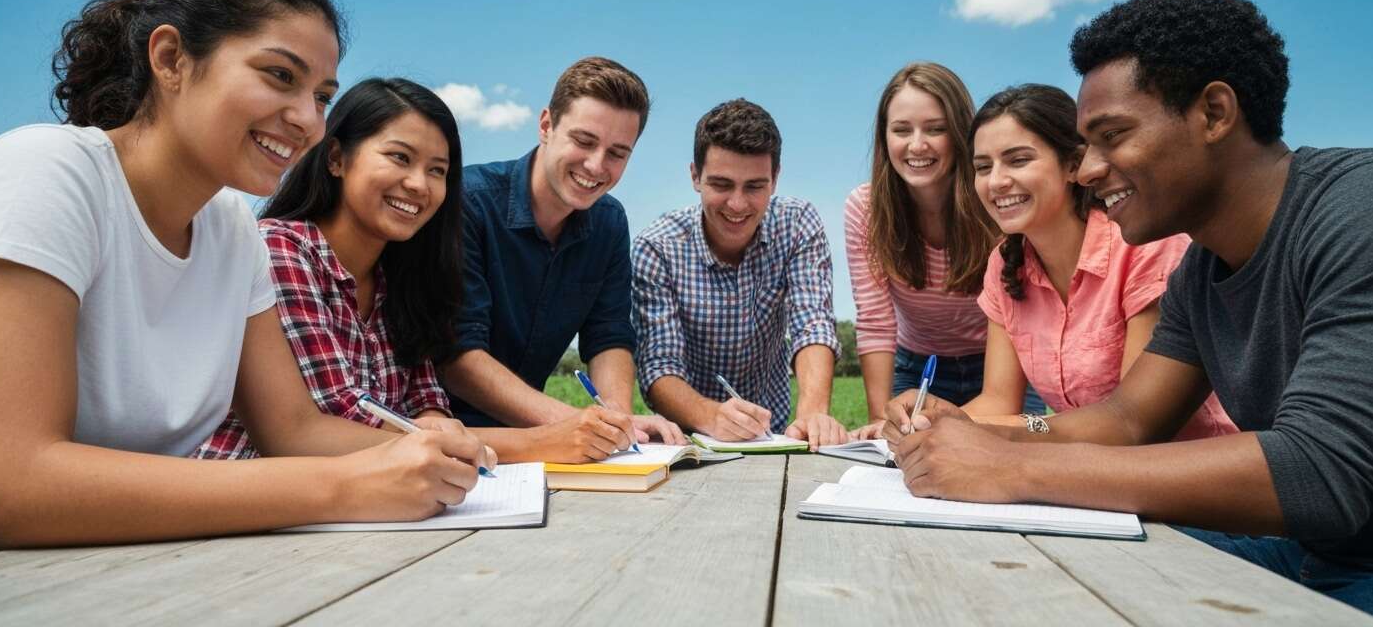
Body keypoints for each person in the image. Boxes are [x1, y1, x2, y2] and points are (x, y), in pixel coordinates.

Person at [884, 0, 1373, 620]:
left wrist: (1013, 468)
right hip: (1302, 556)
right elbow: (1127, 420)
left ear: (1213, 113)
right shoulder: (1201, 268)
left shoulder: (1370, 208)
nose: (1089, 169)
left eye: (1113, 136)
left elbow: (1319, 472)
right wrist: (984, 433)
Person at [0, 0, 489, 548]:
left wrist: (426, 451)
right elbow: (8, 481)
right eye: (280, 76)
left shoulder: (230, 228)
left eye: (323, 96)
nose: (307, 119)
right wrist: (344, 486)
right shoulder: (49, 172)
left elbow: (293, 429)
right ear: (170, 58)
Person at [195, 78, 635, 464]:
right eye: (400, 158)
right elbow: (336, 421)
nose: (419, 185)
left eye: (437, 171)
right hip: (249, 508)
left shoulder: (400, 277)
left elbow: (426, 400)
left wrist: (433, 421)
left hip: (360, 513)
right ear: (336, 158)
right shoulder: (282, 250)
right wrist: (539, 441)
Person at [948, 83, 1232, 435]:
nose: (997, 182)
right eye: (983, 167)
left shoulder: (1143, 248)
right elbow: (998, 401)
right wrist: (931, 423)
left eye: (1018, 160)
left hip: (1182, 469)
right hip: (1088, 467)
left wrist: (1019, 429)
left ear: (1073, 165)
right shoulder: (1003, 265)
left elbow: (1133, 421)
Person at [442, 57, 683, 447]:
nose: (595, 165)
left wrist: (618, 421)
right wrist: (579, 423)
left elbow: (608, 335)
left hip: (538, 444)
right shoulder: (468, 203)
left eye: (617, 153)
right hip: (444, 435)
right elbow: (459, 358)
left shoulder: (609, 222)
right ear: (546, 125)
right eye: (584, 141)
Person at [633, 98, 849, 449]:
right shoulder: (657, 248)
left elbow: (812, 323)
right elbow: (659, 364)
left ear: (775, 180)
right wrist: (711, 416)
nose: (737, 204)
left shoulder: (798, 225)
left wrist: (811, 413)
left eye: (754, 186)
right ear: (695, 177)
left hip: (774, 435)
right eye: (721, 184)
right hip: (689, 442)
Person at [845, 63, 1043, 440]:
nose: (917, 145)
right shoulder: (866, 209)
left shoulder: (995, 200)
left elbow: (1024, 305)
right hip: (920, 371)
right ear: (884, 137)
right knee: (903, 456)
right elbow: (875, 321)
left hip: (1002, 368)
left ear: (961, 134)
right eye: (901, 130)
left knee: (1013, 453)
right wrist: (879, 420)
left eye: (935, 129)